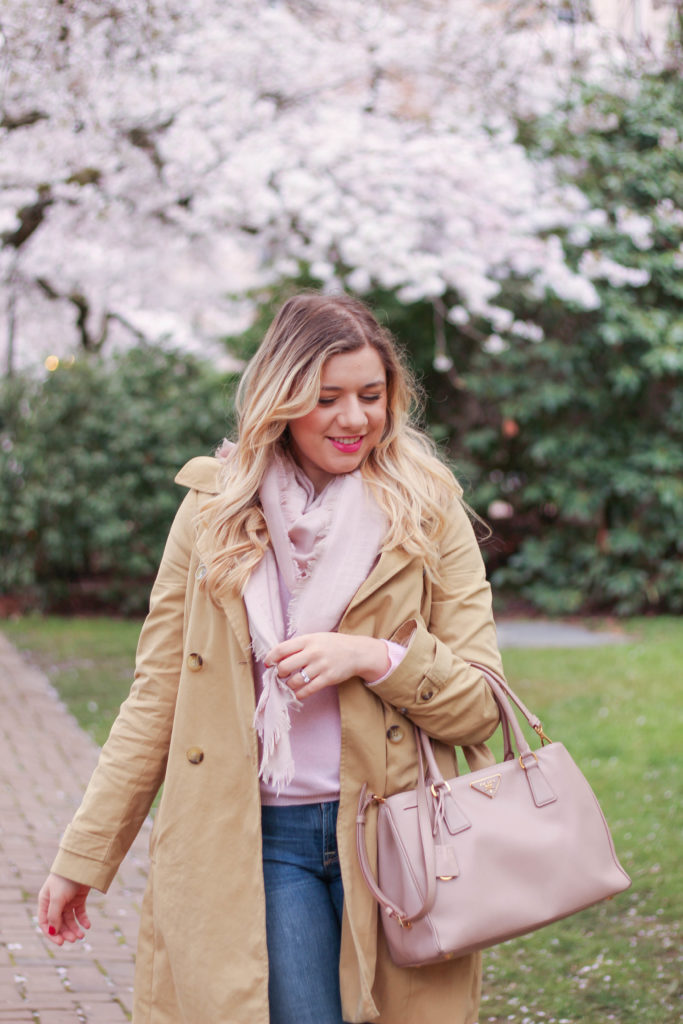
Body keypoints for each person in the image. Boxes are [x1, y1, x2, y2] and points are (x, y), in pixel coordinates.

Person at [38, 292, 505, 1024]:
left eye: (371, 396)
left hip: (396, 833)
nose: (354, 419)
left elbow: (479, 703)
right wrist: (83, 857)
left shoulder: (426, 508)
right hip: (257, 837)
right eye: (326, 398)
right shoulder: (213, 513)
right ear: (279, 398)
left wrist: (372, 655)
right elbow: (157, 694)